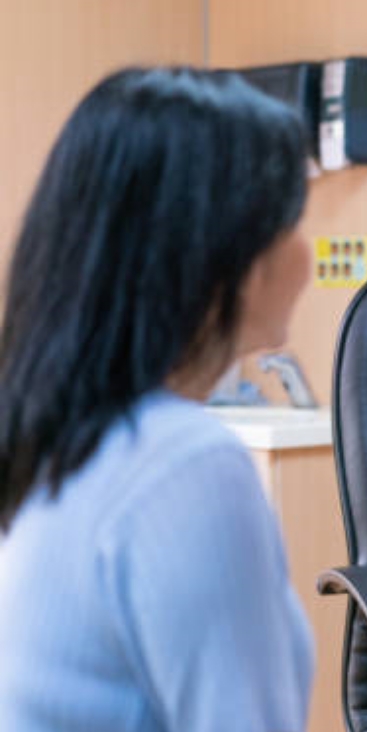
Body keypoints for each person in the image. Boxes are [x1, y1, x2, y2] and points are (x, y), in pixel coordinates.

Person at [0, 68, 314, 732]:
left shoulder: (62, 436)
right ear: (224, 250)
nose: (307, 253)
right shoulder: (184, 465)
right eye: (295, 218)